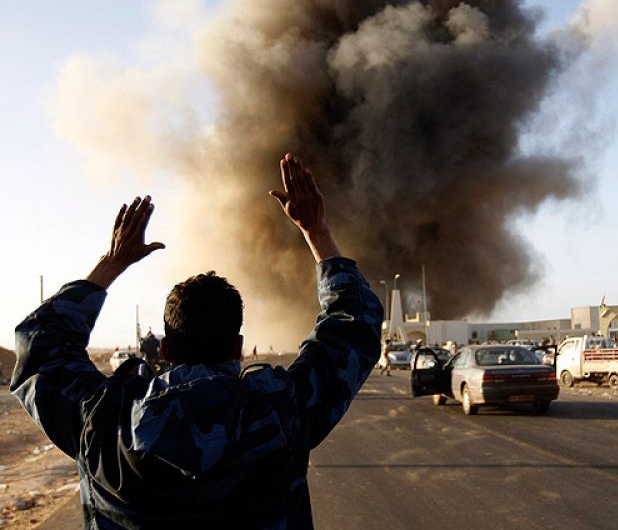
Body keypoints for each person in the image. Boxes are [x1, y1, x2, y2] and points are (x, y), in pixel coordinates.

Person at [11, 154, 382, 529]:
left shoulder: (103, 423)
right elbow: (353, 322)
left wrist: (112, 262)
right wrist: (316, 232)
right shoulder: (279, 411)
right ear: (238, 348)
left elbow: (39, 346)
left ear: (166, 349)